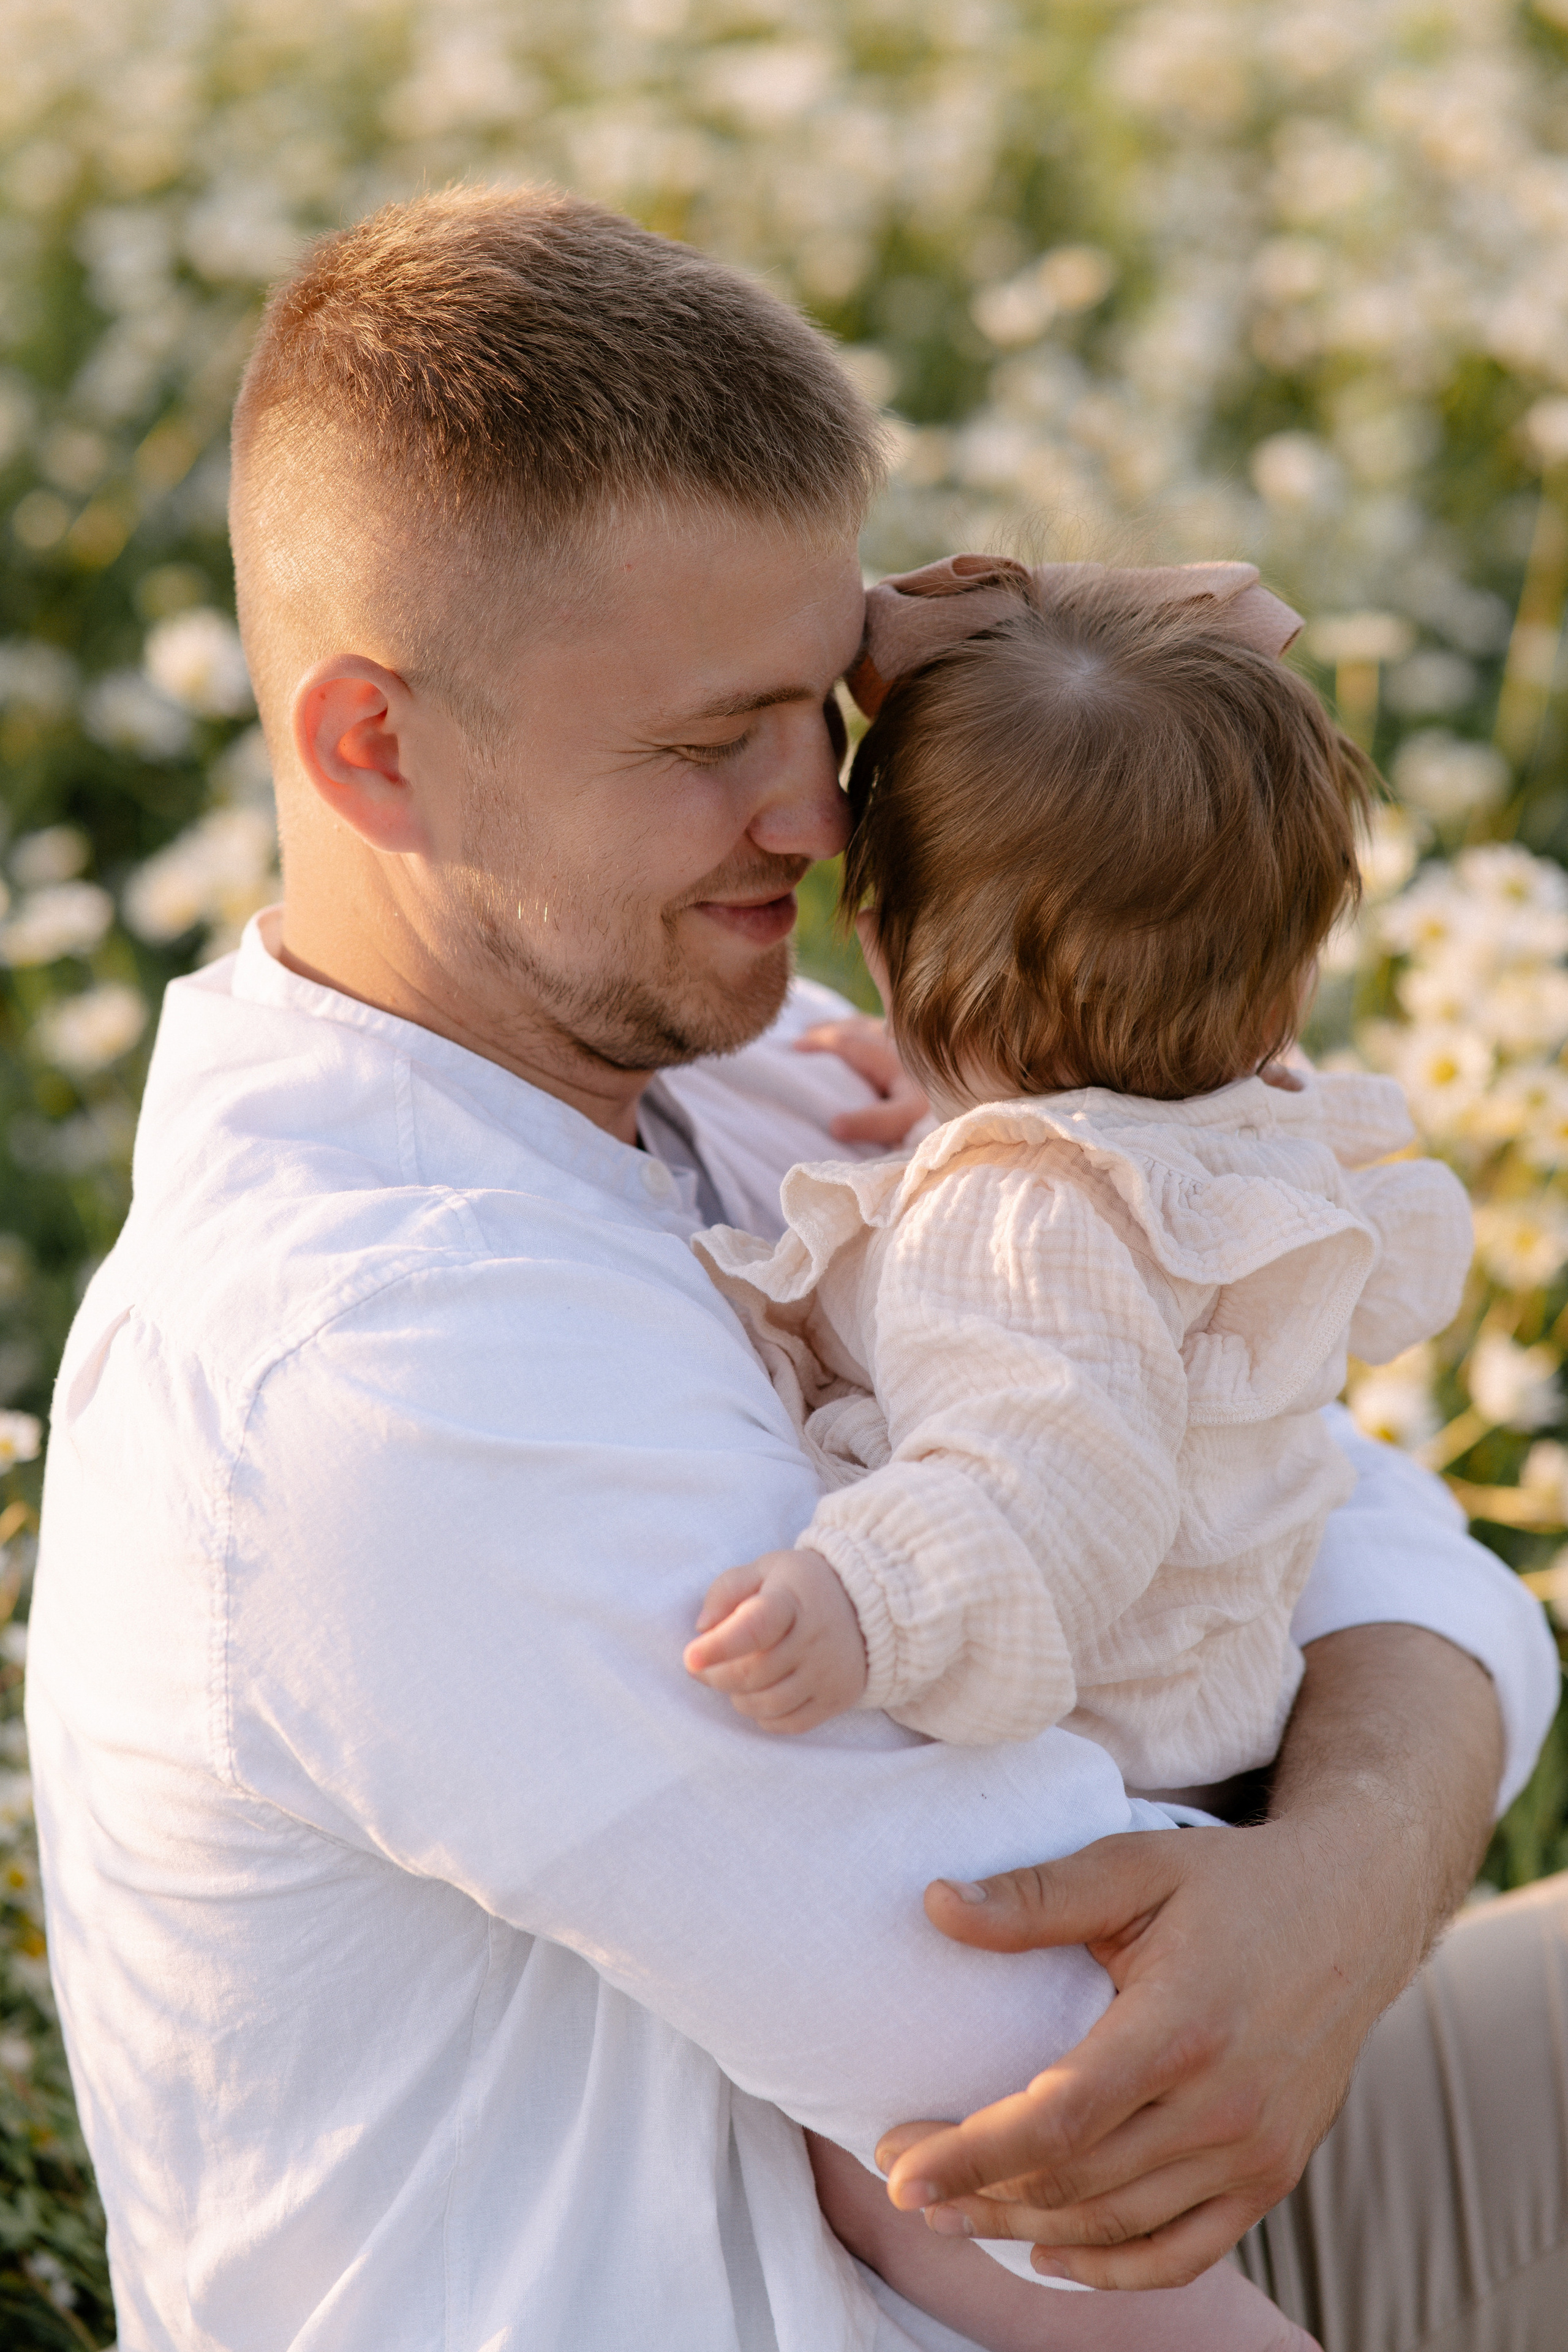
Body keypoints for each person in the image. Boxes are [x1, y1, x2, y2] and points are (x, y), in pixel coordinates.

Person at [24, 186, 1557, 2352]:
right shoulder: (383, 1367)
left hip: (1122, 2239)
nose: (821, 823)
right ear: (374, 747)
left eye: (825, 695)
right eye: (702, 741)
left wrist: (1339, 1874)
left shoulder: (713, 1069)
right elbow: (1089, 2063)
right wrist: (1326, 1886)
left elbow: (1346, 1518)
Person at [685, 562, 1471, 1780]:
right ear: (1290, 972)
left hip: (1096, 1773)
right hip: (1211, 1725)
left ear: (880, 944)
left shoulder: (1022, 1214)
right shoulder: (1251, 1135)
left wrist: (868, 1602)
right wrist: (966, 1085)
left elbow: (1042, 1468)